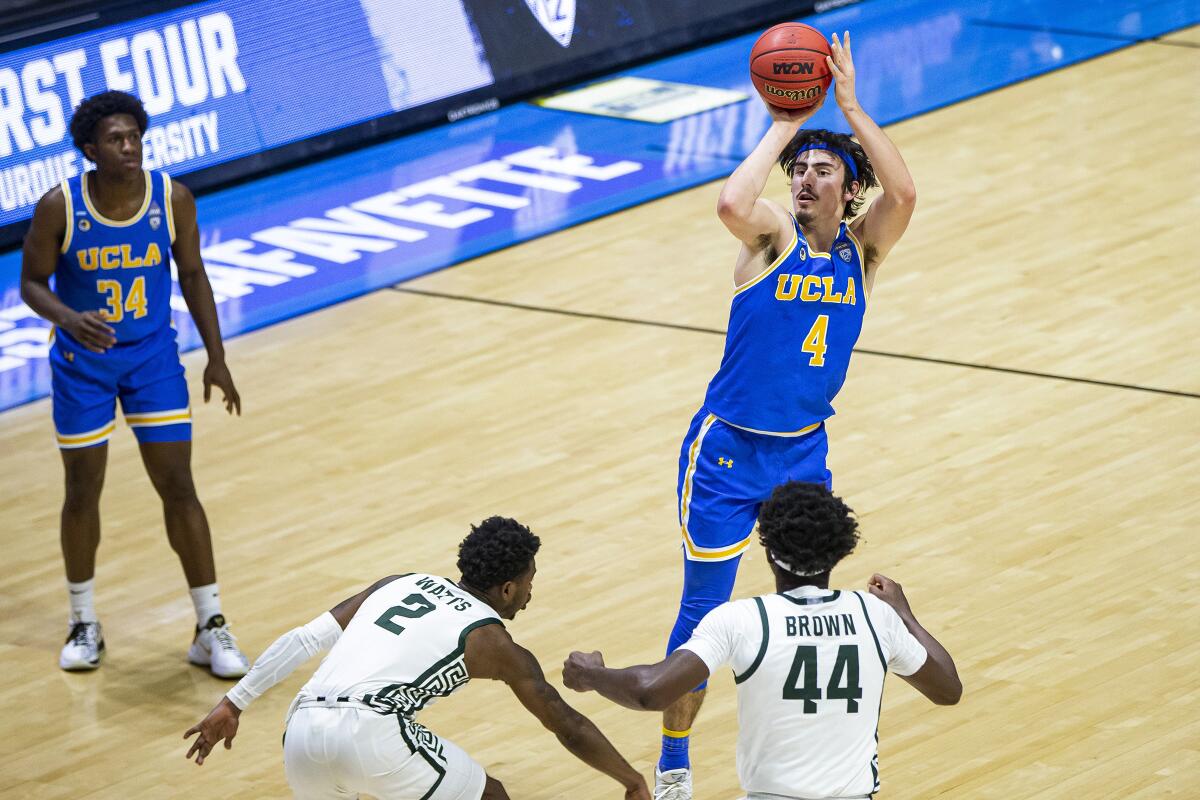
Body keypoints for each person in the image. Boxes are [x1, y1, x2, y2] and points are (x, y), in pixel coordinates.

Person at [656, 32, 918, 797]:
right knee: (702, 611)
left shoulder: (861, 255)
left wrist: (852, 109)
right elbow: (732, 202)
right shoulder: (773, 241)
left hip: (803, 452)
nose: (804, 179)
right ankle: (674, 764)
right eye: (797, 169)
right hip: (728, 449)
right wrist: (784, 119)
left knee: (804, 609)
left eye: (820, 170)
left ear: (849, 190)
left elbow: (904, 196)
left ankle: (802, 746)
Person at [19, 90, 246, 677]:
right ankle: (83, 621)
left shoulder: (171, 197)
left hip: (152, 358)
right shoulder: (59, 206)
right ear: (90, 150)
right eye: (116, 139)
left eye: (135, 136)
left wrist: (216, 357)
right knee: (82, 490)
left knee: (179, 486)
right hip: (82, 365)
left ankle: (211, 626)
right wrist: (69, 318)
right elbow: (32, 284)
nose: (129, 146)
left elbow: (192, 274)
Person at [184, 516, 651, 800]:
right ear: (508, 587)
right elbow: (568, 726)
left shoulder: (397, 583)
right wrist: (630, 780)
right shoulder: (493, 641)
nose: (530, 593)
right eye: (530, 580)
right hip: (371, 728)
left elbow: (305, 640)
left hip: (300, 729)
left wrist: (233, 703)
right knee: (488, 796)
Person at [565, 482, 961, 800]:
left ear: (768, 550)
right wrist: (905, 615)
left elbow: (650, 692)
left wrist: (594, 675)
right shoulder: (876, 616)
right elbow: (948, 690)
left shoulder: (741, 619)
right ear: (840, 552)